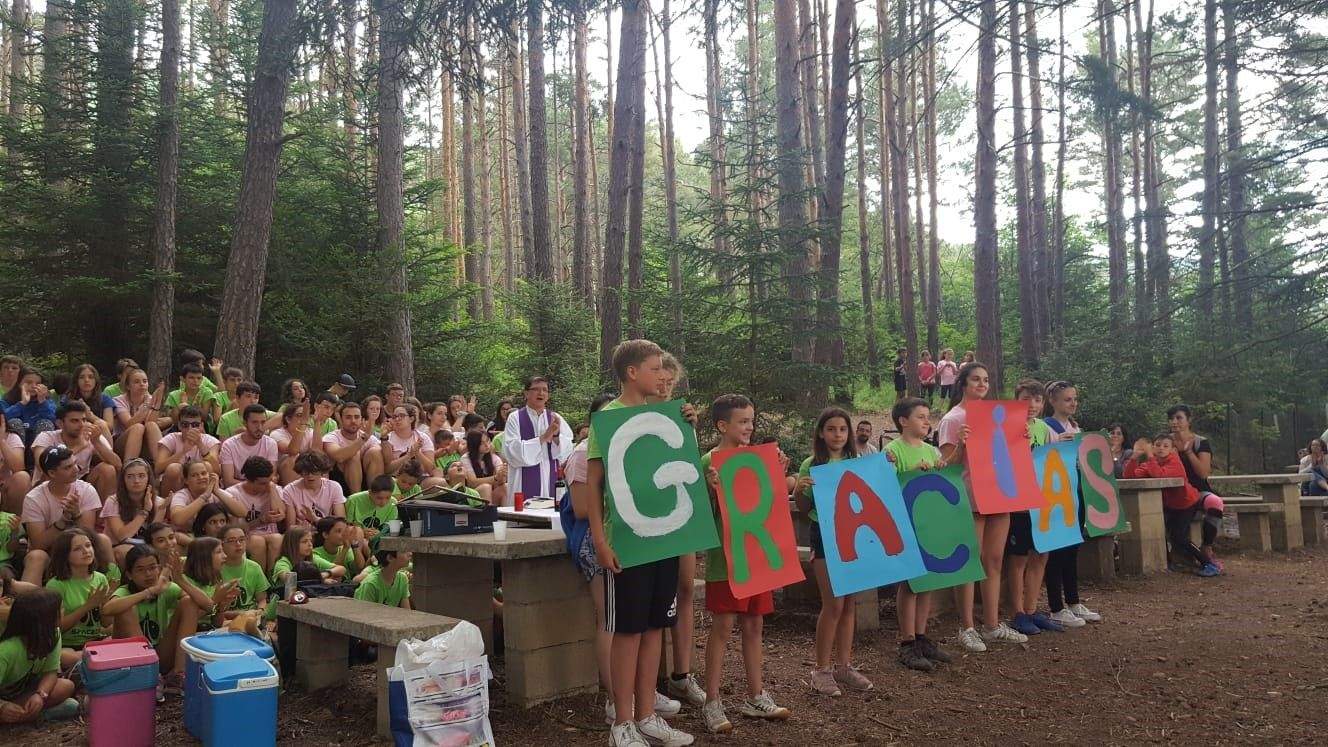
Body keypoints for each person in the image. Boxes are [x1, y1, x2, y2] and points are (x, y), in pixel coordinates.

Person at [586, 340, 692, 747]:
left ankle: (648, 715)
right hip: (626, 543)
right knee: (627, 631)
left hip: (665, 539)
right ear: (632, 373)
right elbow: (593, 486)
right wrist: (600, 540)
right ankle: (622, 723)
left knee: (654, 628)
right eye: (654, 368)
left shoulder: (663, 414)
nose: (662, 375)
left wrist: (687, 423)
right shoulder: (607, 420)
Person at [698, 394, 791, 733]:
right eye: (742, 421)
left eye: (752, 421)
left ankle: (755, 695)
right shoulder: (710, 459)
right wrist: (708, 489)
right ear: (723, 425)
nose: (749, 427)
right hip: (726, 561)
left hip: (758, 558)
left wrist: (778, 473)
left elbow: (769, 504)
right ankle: (711, 701)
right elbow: (697, 513)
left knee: (754, 626)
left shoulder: (758, 459)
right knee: (722, 628)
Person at [937, 361, 1025, 651]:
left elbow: (1008, 456)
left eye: (986, 380)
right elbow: (946, 466)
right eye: (976, 379)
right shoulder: (953, 419)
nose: (982, 384)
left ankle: (991, 624)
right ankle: (967, 626)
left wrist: (1020, 439)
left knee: (994, 560)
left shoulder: (998, 416)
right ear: (962, 383)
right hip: (969, 497)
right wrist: (961, 445)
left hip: (998, 495)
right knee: (968, 563)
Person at [794, 407, 874, 696]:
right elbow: (803, 511)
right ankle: (821, 669)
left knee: (850, 602)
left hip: (854, 536)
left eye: (842, 429)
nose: (837, 434)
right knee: (833, 604)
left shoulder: (858, 461)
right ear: (820, 433)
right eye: (831, 429)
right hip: (825, 535)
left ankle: (844, 665)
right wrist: (799, 491)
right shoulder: (811, 463)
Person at [882, 397, 959, 670]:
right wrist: (911, 473)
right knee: (910, 584)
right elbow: (886, 485)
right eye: (921, 417)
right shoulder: (893, 450)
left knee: (928, 580)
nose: (927, 422)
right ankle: (907, 641)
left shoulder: (933, 451)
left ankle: (922, 636)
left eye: (928, 417)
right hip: (906, 525)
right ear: (903, 421)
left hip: (931, 524)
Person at [564, 393, 619, 720]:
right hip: (594, 541)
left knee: (633, 620)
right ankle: (615, 698)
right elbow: (583, 508)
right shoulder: (583, 455)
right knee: (611, 618)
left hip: (626, 540)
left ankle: (639, 692)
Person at [1004, 381, 1064, 636]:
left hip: (1042, 502)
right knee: (1018, 559)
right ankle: (1017, 613)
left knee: (1041, 556)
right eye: (1026, 399)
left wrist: (1063, 445)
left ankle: (1031, 610)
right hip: (1017, 504)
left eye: (1037, 400)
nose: (1032, 405)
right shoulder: (1005, 426)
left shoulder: (1044, 428)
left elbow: (1051, 461)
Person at [1041, 381, 1100, 625]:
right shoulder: (1046, 428)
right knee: (1057, 550)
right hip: (1055, 494)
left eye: (1074, 399)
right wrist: (1054, 446)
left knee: (1073, 547)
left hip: (1076, 492)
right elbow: (1036, 457)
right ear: (1052, 401)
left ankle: (1074, 600)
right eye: (1067, 399)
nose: (1073, 403)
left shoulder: (1077, 428)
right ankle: (1056, 606)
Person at [1125, 433, 1220, 577]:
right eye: (1157, 445)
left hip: (1186, 503)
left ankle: (1208, 563)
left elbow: (1160, 475)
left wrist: (1150, 456)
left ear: (1172, 450)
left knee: (1178, 536)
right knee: (1158, 529)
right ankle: (1168, 563)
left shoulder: (1175, 462)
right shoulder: (1151, 463)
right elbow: (1129, 477)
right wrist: (1134, 457)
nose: (1161, 449)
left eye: (1165, 446)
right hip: (1169, 505)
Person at [22, 446, 111, 578]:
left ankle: (112, 590)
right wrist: (63, 520)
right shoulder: (33, 498)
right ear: (52, 473)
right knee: (36, 556)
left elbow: (88, 535)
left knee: (103, 540)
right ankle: (31, 598)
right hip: (50, 553)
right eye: (68, 467)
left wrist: (76, 514)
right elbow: (38, 544)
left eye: (75, 463)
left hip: (81, 549)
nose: (76, 469)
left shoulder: (86, 490)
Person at [0, 589, 80, 723]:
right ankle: (38, 715)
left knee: (66, 686)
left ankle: (27, 715)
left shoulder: (53, 635)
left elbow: (50, 672)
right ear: (45, 619)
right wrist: (3, 706)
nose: (63, 611)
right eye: (59, 610)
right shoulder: (7, 650)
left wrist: (40, 695)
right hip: (4, 699)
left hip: (21, 694)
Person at [105, 544, 185, 668]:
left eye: (153, 568)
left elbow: (207, 605)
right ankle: (149, 671)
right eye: (140, 569)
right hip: (130, 659)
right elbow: (107, 609)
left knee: (188, 602)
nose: (148, 574)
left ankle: (180, 673)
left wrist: (180, 580)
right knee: (126, 608)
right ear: (129, 575)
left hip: (160, 652)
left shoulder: (166, 588)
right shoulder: (124, 591)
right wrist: (148, 592)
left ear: (159, 569)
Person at [1168, 404, 1226, 569]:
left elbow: (1203, 473)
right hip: (1175, 492)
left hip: (1199, 490)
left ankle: (1207, 546)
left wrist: (1188, 453)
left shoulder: (1201, 442)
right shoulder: (1165, 442)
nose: (1174, 422)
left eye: (1179, 418)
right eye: (1171, 419)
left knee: (1215, 502)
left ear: (1189, 420)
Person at [44, 528, 112, 668]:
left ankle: (93, 661)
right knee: (63, 656)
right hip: (69, 645)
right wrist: (88, 606)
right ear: (65, 555)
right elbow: (58, 627)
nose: (86, 551)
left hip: (96, 640)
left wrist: (108, 605)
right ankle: (93, 661)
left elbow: (105, 623)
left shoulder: (101, 579)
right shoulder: (55, 585)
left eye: (88, 545)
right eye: (77, 549)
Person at [502, 376, 573, 501]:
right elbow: (512, 451)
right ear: (526, 393)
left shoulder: (555, 417)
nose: (541, 393)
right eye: (536, 389)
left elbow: (567, 451)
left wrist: (556, 436)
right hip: (522, 480)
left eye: (545, 390)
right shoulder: (515, 418)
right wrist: (544, 437)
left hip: (551, 477)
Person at [32, 400, 120, 499]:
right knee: (52, 473)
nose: (81, 424)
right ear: (60, 423)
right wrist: (80, 446)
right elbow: (43, 465)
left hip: (80, 485)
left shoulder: (92, 436)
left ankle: (104, 513)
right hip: (49, 486)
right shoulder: (46, 437)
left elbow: (117, 465)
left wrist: (97, 442)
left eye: (84, 420)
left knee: (107, 469)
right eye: (74, 421)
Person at [103, 458, 168, 559]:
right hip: (118, 546)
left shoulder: (159, 502)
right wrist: (145, 511)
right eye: (130, 477)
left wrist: (161, 510)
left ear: (148, 478)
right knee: (127, 553)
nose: (136, 481)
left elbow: (152, 537)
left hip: (146, 544)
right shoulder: (113, 501)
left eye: (141, 476)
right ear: (123, 480)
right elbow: (122, 536)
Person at [229, 457, 284, 572]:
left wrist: (272, 489)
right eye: (262, 483)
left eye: (269, 480)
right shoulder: (233, 493)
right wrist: (261, 520)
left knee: (277, 539)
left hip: (270, 533)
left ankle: (273, 581)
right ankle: (260, 581)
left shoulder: (273, 489)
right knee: (257, 541)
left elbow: (280, 515)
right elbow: (237, 528)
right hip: (246, 536)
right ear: (250, 480)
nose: (266, 485)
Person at [154, 405, 221, 494]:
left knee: (207, 466)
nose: (190, 429)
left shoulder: (210, 441)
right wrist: (183, 451)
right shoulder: (170, 438)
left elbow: (217, 471)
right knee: (173, 468)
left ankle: (204, 504)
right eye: (185, 425)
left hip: (199, 483)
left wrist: (200, 445)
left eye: (195, 425)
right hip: (176, 484)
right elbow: (158, 469)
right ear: (179, 426)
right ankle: (168, 505)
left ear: (201, 426)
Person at [322, 401, 383, 495]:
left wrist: (385, 438)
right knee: (353, 455)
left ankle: (376, 496)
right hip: (339, 482)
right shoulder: (331, 437)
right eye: (348, 417)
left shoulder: (368, 436)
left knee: (376, 452)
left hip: (366, 480)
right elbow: (339, 456)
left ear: (362, 419)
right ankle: (356, 500)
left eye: (357, 417)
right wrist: (363, 439)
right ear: (341, 420)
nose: (353, 421)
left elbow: (385, 460)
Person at [111, 367, 167, 462]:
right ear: (128, 386)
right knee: (138, 427)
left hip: (144, 442)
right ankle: (128, 466)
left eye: (145, 381)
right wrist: (148, 405)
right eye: (137, 382)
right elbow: (129, 424)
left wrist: (157, 403)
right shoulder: (118, 400)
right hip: (121, 443)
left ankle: (160, 466)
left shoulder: (150, 399)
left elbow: (151, 423)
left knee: (152, 425)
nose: (142, 384)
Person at [282, 451, 347, 529]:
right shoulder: (289, 490)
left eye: (314, 471)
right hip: (301, 533)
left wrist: (316, 520)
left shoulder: (334, 487)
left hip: (326, 532)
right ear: (301, 472)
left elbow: (341, 523)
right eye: (306, 472)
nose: (310, 475)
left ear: (322, 471)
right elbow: (290, 527)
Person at [219, 404, 280, 487]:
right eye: (255, 422)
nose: (260, 427)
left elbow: (271, 476)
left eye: (263, 422)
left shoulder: (271, 444)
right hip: (237, 491)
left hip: (262, 490)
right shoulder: (229, 445)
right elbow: (228, 481)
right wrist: (257, 485)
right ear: (245, 423)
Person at [218, 523, 269, 615]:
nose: (238, 544)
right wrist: (239, 614)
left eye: (241, 540)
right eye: (232, 541)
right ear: (221, 544)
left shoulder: (254, 567)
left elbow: (262, 600)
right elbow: (213, 609)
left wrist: (260, 611)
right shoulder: (215, 569)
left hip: (250, 617)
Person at [269, 527, 345, 586]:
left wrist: (326, 574)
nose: (310, 545)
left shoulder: (313, 558)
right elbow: (290, 580)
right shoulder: (283, 562)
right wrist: (321, 580)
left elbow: (341, 569)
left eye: (310, 541)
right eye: (304, 541)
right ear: (292, 544)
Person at [2, 367, 54, 444]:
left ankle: (41, 455)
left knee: (45, 423)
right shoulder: (7, 400)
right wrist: (22, 403)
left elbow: (53, 421)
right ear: (19, 383)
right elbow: (2, 420)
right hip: (14, 446)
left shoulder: (46, 401)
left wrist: (42, 402)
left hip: (37, 443)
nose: (33, 386)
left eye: (38, 383)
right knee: (15, 422)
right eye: (29, 382)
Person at [345, 474, 397, 549]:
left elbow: (389, 527)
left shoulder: (393, 503)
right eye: (379, 498)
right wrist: (361, 532)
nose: (383, 502)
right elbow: (347, 525)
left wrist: (379, 533)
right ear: (370, 493)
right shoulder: (353, 500)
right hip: (357, 538)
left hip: (379, 538)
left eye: (387, 498)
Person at [271, 403, 320, 484]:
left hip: (306, 468)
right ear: (288, 419)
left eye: (305, 416)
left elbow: (318, 451)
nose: (304, 418)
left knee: (319, 460)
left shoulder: (309, 432)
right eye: (299, 415)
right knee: (293, 459)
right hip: (283, 471)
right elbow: (293, 451)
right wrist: (303, 424)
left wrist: (317, 422)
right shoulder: (277, 434)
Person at [64, 364, 116, 440]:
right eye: (82, 377)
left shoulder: (105, 399)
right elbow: (63, 424)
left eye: (91, 377)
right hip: (76, 436)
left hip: (100, 437)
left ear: (96, 380)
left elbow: (110, 426)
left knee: (100, 423)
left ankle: (107, 452)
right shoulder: (68, 399)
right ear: (76, 381)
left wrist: (91, 416)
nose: (86, 380)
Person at [380, 404, 435, 475]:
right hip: (396, 479)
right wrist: (408, 455)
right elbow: (387, 470)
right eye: (394, 416)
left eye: (402, 416)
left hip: (420, 478)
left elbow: (430, 469)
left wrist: (417, 453)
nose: (397, 419)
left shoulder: (423, 437)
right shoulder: (388, 438)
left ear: (411, 419)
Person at [312, 516, 368, 581]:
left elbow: (359, 567)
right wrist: (345, 548)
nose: (344, 535)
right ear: (325, 535)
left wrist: (354, 544)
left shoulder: (345, 549)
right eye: (339, 531)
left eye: (345, 531)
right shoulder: (315, 554)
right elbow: (336, 571)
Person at [461, 429, 506, 506]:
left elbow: (501, 482)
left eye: (488, 441)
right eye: (482, 443)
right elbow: (472, 483)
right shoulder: (465, 459)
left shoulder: (494, 458)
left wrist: (502, 475)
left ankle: (506, 515)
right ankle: (487, 516)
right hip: (473, 495)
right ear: (474, 445)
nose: (487, 445)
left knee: (505, 487)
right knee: (486, 487)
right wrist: (495, 478)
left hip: (491, 493)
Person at [0, 416, 31, 515]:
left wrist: (1, 441)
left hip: (4, 489)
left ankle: (13, 525)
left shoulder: (12, 437)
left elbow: (18, 467)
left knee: (22, 477)